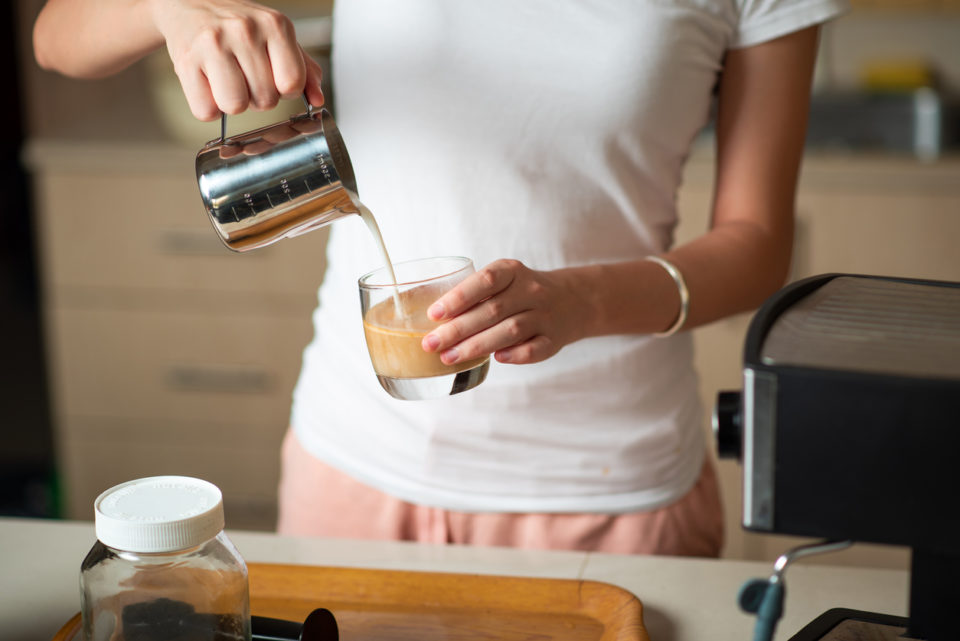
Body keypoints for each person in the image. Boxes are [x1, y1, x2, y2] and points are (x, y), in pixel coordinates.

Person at [34, 0, 847, 556]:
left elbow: (758, 242)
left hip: (610, 493)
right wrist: (170, 9)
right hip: (352, 475)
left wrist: (580, 300)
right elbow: (59, 35)